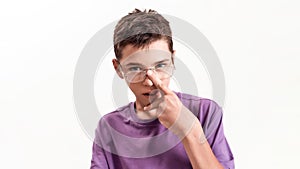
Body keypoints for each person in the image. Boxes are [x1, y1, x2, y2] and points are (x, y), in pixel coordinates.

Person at [91, 9, 234, 169]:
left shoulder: (205, 112)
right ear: (118, 69)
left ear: (172, 60)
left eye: (160, 65)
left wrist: (188, 129)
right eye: (136, 68)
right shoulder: (109, 127)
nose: (150, 81)